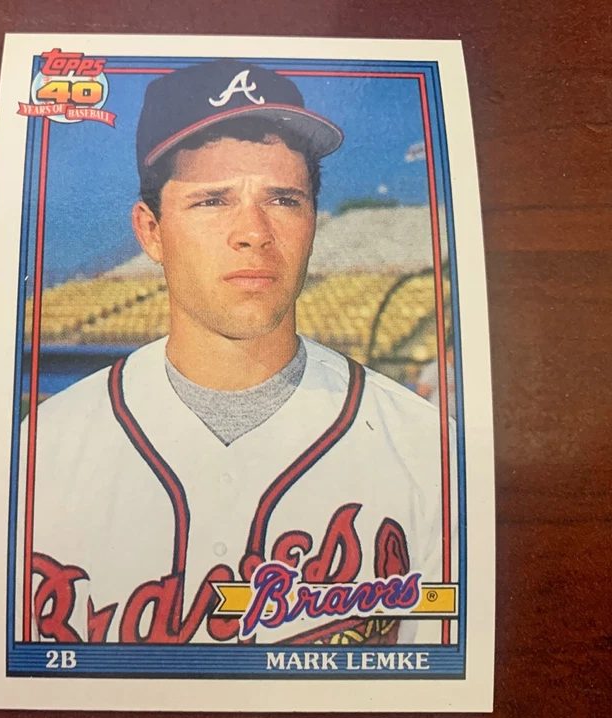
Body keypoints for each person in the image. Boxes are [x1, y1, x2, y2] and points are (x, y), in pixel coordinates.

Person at [22, 59, 454, 646]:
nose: (253, 231)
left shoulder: (429, 455)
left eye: (283, 199)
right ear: (151, 232)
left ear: (313, 223)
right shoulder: (38, 456)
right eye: (212, 201)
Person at [417, 347, 456, 417]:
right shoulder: (435, 368)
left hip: (453, 415)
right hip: (438, 413)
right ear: (448, 352)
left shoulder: (454, 369)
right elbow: (422, 391)